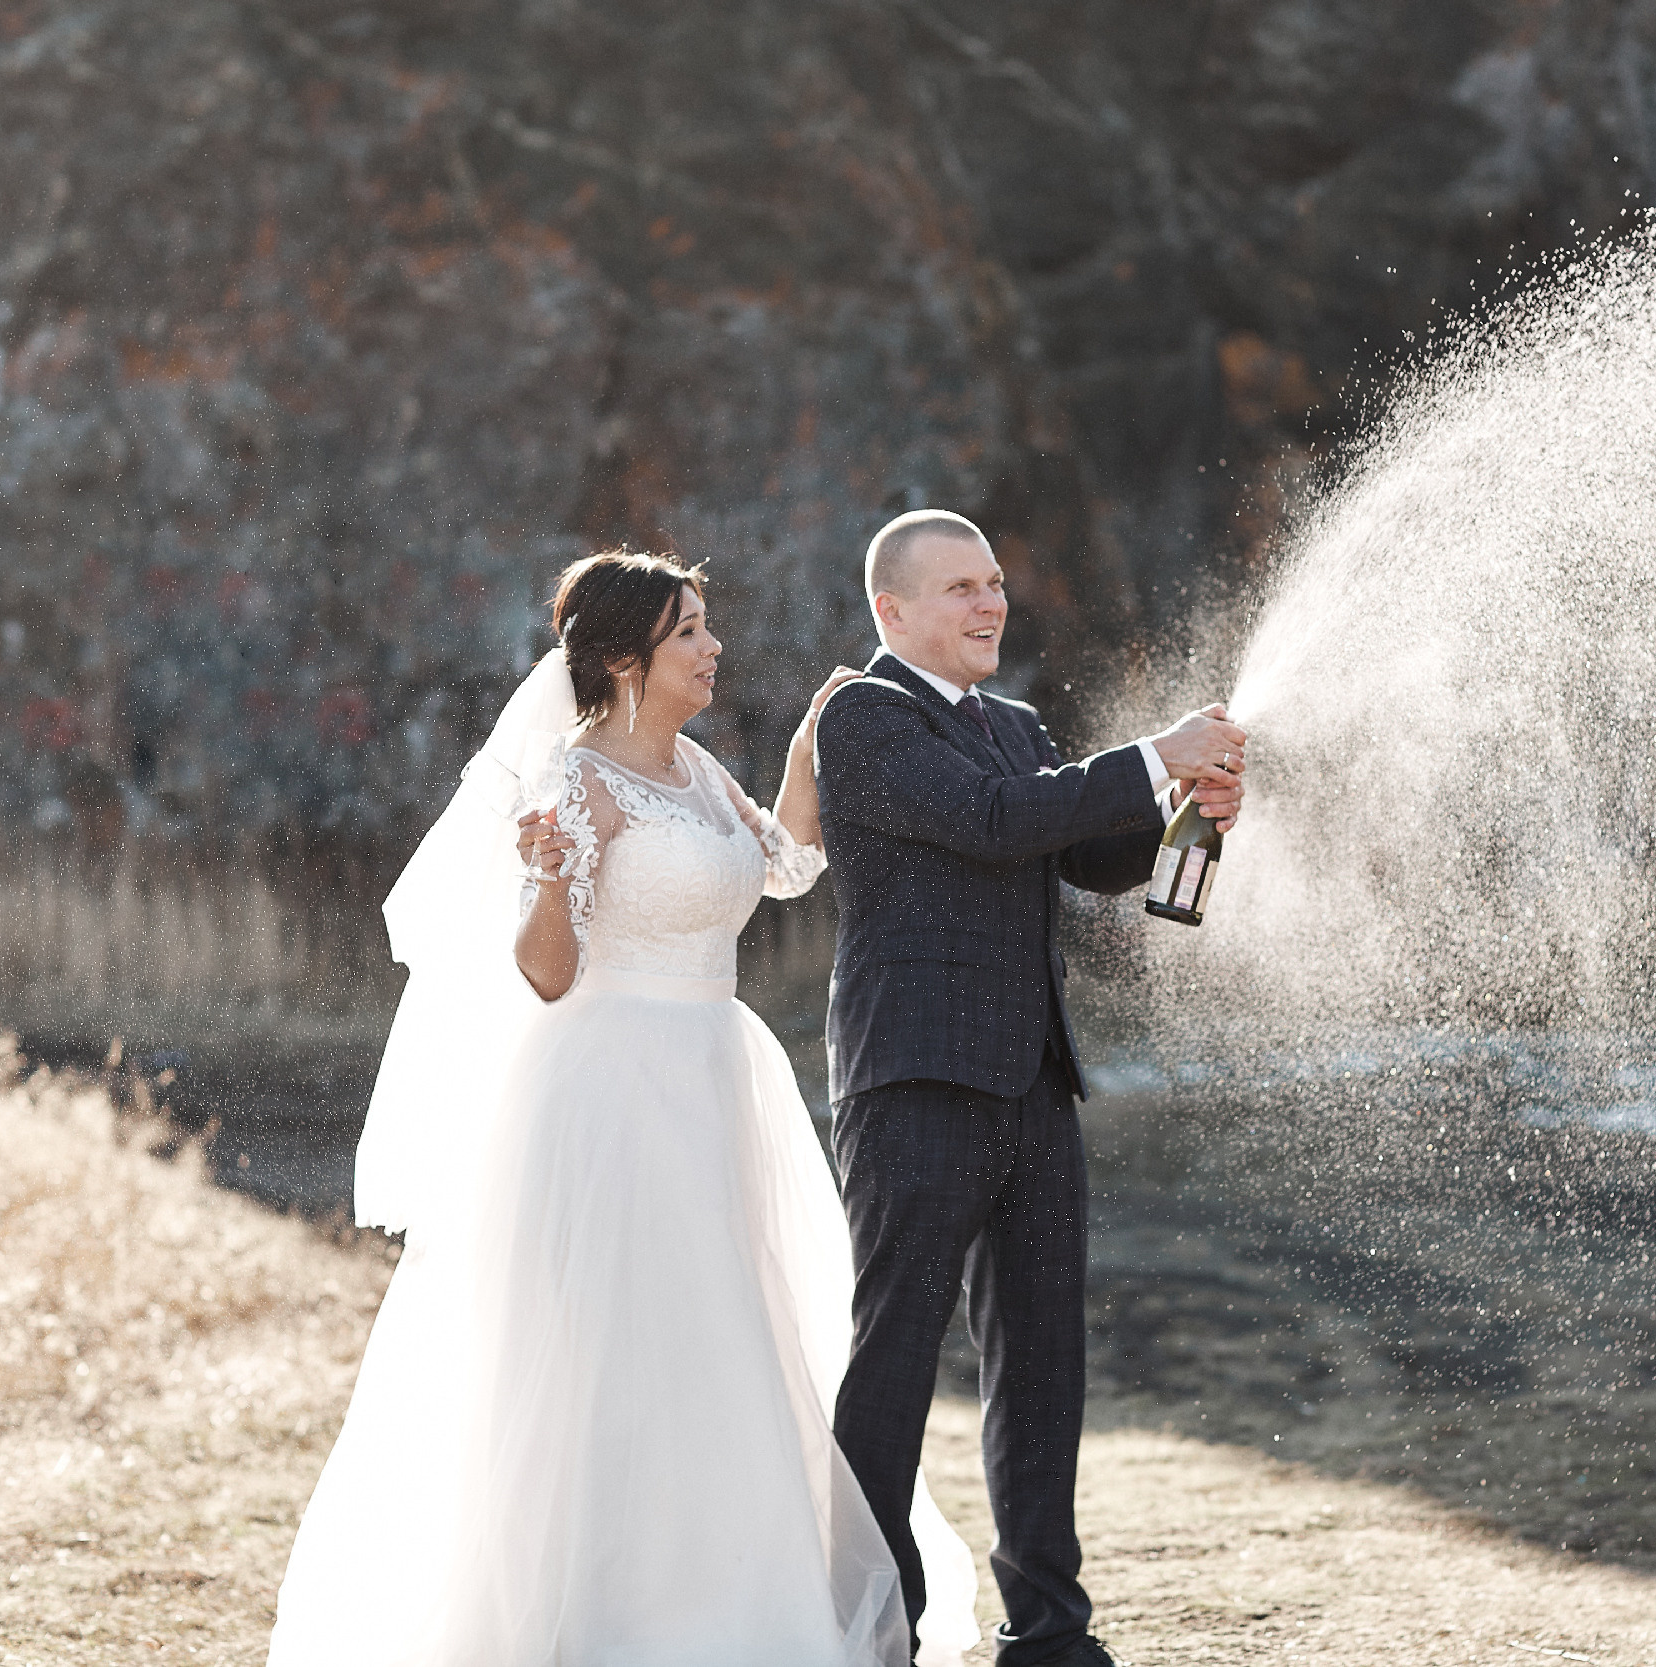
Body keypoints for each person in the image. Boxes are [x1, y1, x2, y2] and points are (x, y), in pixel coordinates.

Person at [266, 550, 978, 1667]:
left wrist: (803, 751)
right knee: (620, 1346)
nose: (712, 646)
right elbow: (546, 972)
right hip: (609, 1090)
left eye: (705, 626)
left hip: (713, 1075)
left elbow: (783, 866)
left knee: (729, 1331)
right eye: (688, 631)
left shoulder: (693, 767)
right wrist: (548, 875)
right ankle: (604, 1617)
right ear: (622, 660)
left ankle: (724, 1604)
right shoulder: (577, 780)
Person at [816, 511, 1247, 1667]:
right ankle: (870, 1629)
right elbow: (990, 822)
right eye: (959, 586)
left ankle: (1050, 1633)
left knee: (1044, 1362)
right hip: (912, 1080)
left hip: (1035, 1080)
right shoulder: (861, 716)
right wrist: (1157, 748)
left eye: (996, 581)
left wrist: (1185, 811)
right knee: (895, 1355)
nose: (990, 602)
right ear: (891, 612)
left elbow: (1085, 857)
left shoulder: (1011, 723)